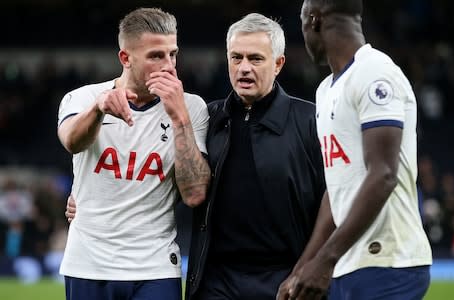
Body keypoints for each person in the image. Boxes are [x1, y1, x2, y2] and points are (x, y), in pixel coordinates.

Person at [277, 0, 432, 299]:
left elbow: (384, 174)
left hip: (389, 262)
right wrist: (304, 266)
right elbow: (337, 192)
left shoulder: (374, 72)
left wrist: (325, 260)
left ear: (314, 20)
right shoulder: (326, 91)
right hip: (349, 263)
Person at [57, 7, 210, 300]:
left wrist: (179, 119)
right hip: (89, 263)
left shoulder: (192, 108)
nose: (169, 66)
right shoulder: (85, 98)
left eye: (173, 54)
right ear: (125, 58)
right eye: (156, 56)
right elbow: (71, 142)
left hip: (155, 267)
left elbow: (194, 194)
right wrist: (98, 110)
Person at [185, 13, 325, 300]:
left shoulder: (312, 120)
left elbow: (335, 199)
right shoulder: (206, 119)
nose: (244, 68)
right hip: (216, 281)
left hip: (286, 279)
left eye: (255, 59)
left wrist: (311, 267)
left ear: (278, 64)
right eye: (236, 58)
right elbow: (167, 178)